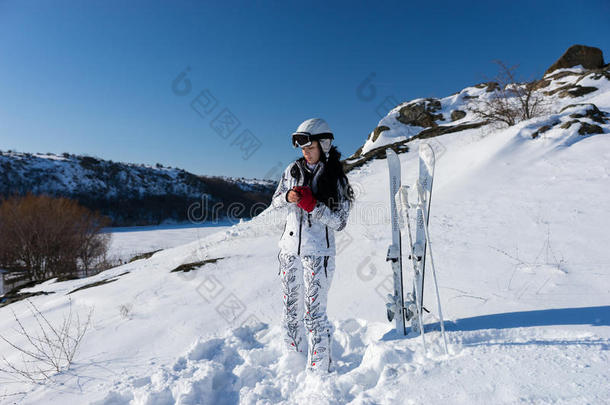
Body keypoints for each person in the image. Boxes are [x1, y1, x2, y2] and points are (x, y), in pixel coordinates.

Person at [271, 118, 354, 373]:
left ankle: (319, 371)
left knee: (313, 314)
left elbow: (340, 221)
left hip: (318, 253)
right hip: (289, 251)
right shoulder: (292, 170)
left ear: (324, 144)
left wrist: (313, 207)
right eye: (302, 147)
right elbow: (274, 202)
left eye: (310, 146)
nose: (305, 151)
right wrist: (288, 197)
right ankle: (293, 361)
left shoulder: (337, 178)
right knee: (289, 310)